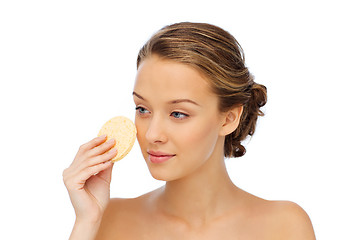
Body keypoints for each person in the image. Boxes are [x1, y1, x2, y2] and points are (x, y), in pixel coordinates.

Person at [63, 22, 316, 239]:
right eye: (142, 109)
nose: (152, 134)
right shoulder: (109, 220)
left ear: (229, 118)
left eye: (178, 114)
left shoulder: (284, 227)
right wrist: (86, 223)